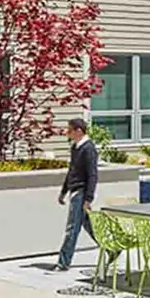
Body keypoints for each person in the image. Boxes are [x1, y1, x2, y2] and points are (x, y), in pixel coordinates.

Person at [57, 116, 98, 272]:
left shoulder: (88, 149)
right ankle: (111, 249)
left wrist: (88, 198)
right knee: (88, 225)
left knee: (72, 228)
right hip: (74, 190)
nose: (67, 133)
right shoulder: (75, 147)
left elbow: (92, 175)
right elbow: (71, 171)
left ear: (78, 131)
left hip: (81, 193)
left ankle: (63, 262)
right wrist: (63, 191)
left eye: (69, 130)